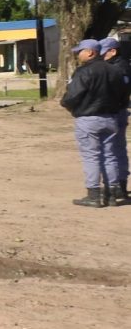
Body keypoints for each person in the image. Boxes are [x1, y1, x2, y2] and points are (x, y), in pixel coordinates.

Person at [60, 39, 125, 207]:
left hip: (88, 118)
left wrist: (68, 105)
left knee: (91, 157)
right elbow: (124, 97)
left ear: (90, 52)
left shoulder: (84, 71)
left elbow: (73, 96)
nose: (78, 55)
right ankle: (112, 193)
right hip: (111, 118)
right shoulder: (115, 71)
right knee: (109, 155)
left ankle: (94, 194)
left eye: (80, 51)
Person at [99, 37, 130, 204]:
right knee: (117, 150)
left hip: (115, 112)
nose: (101, 56)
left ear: (113, 51)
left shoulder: (119, 68)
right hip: (118, 110)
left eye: (103, 53)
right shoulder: (119, 66)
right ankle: (119, 185)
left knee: (111, 151)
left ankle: (116, 185)